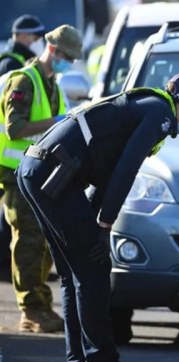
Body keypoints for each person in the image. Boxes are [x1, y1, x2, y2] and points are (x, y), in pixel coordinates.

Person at [16, 71, 179, 362]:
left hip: (39, 171)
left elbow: (108, 170)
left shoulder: (149, 105)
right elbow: (125, 171)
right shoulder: (160, 114)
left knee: (77, 273)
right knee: (93, 272)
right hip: (53, 177)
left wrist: (98, 220)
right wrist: (104, 225)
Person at [0, 24, 82, 333]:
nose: (69, 64)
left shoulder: (52, 83)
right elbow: (14, 129)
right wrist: (59, 122)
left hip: (38, 174)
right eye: (68, 58)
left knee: (45, 243)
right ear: (54, 51)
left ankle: (40, 305)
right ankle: (32, 310)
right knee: (29, 241)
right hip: (15, 173)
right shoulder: (25, 80)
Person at [0, 14, 46, 280]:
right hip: (8, 158)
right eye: (38, 38)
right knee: (14, 222)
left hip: (10, 158)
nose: (39, 43)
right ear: (26, 37)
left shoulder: (13, 63)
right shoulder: (12, 66)